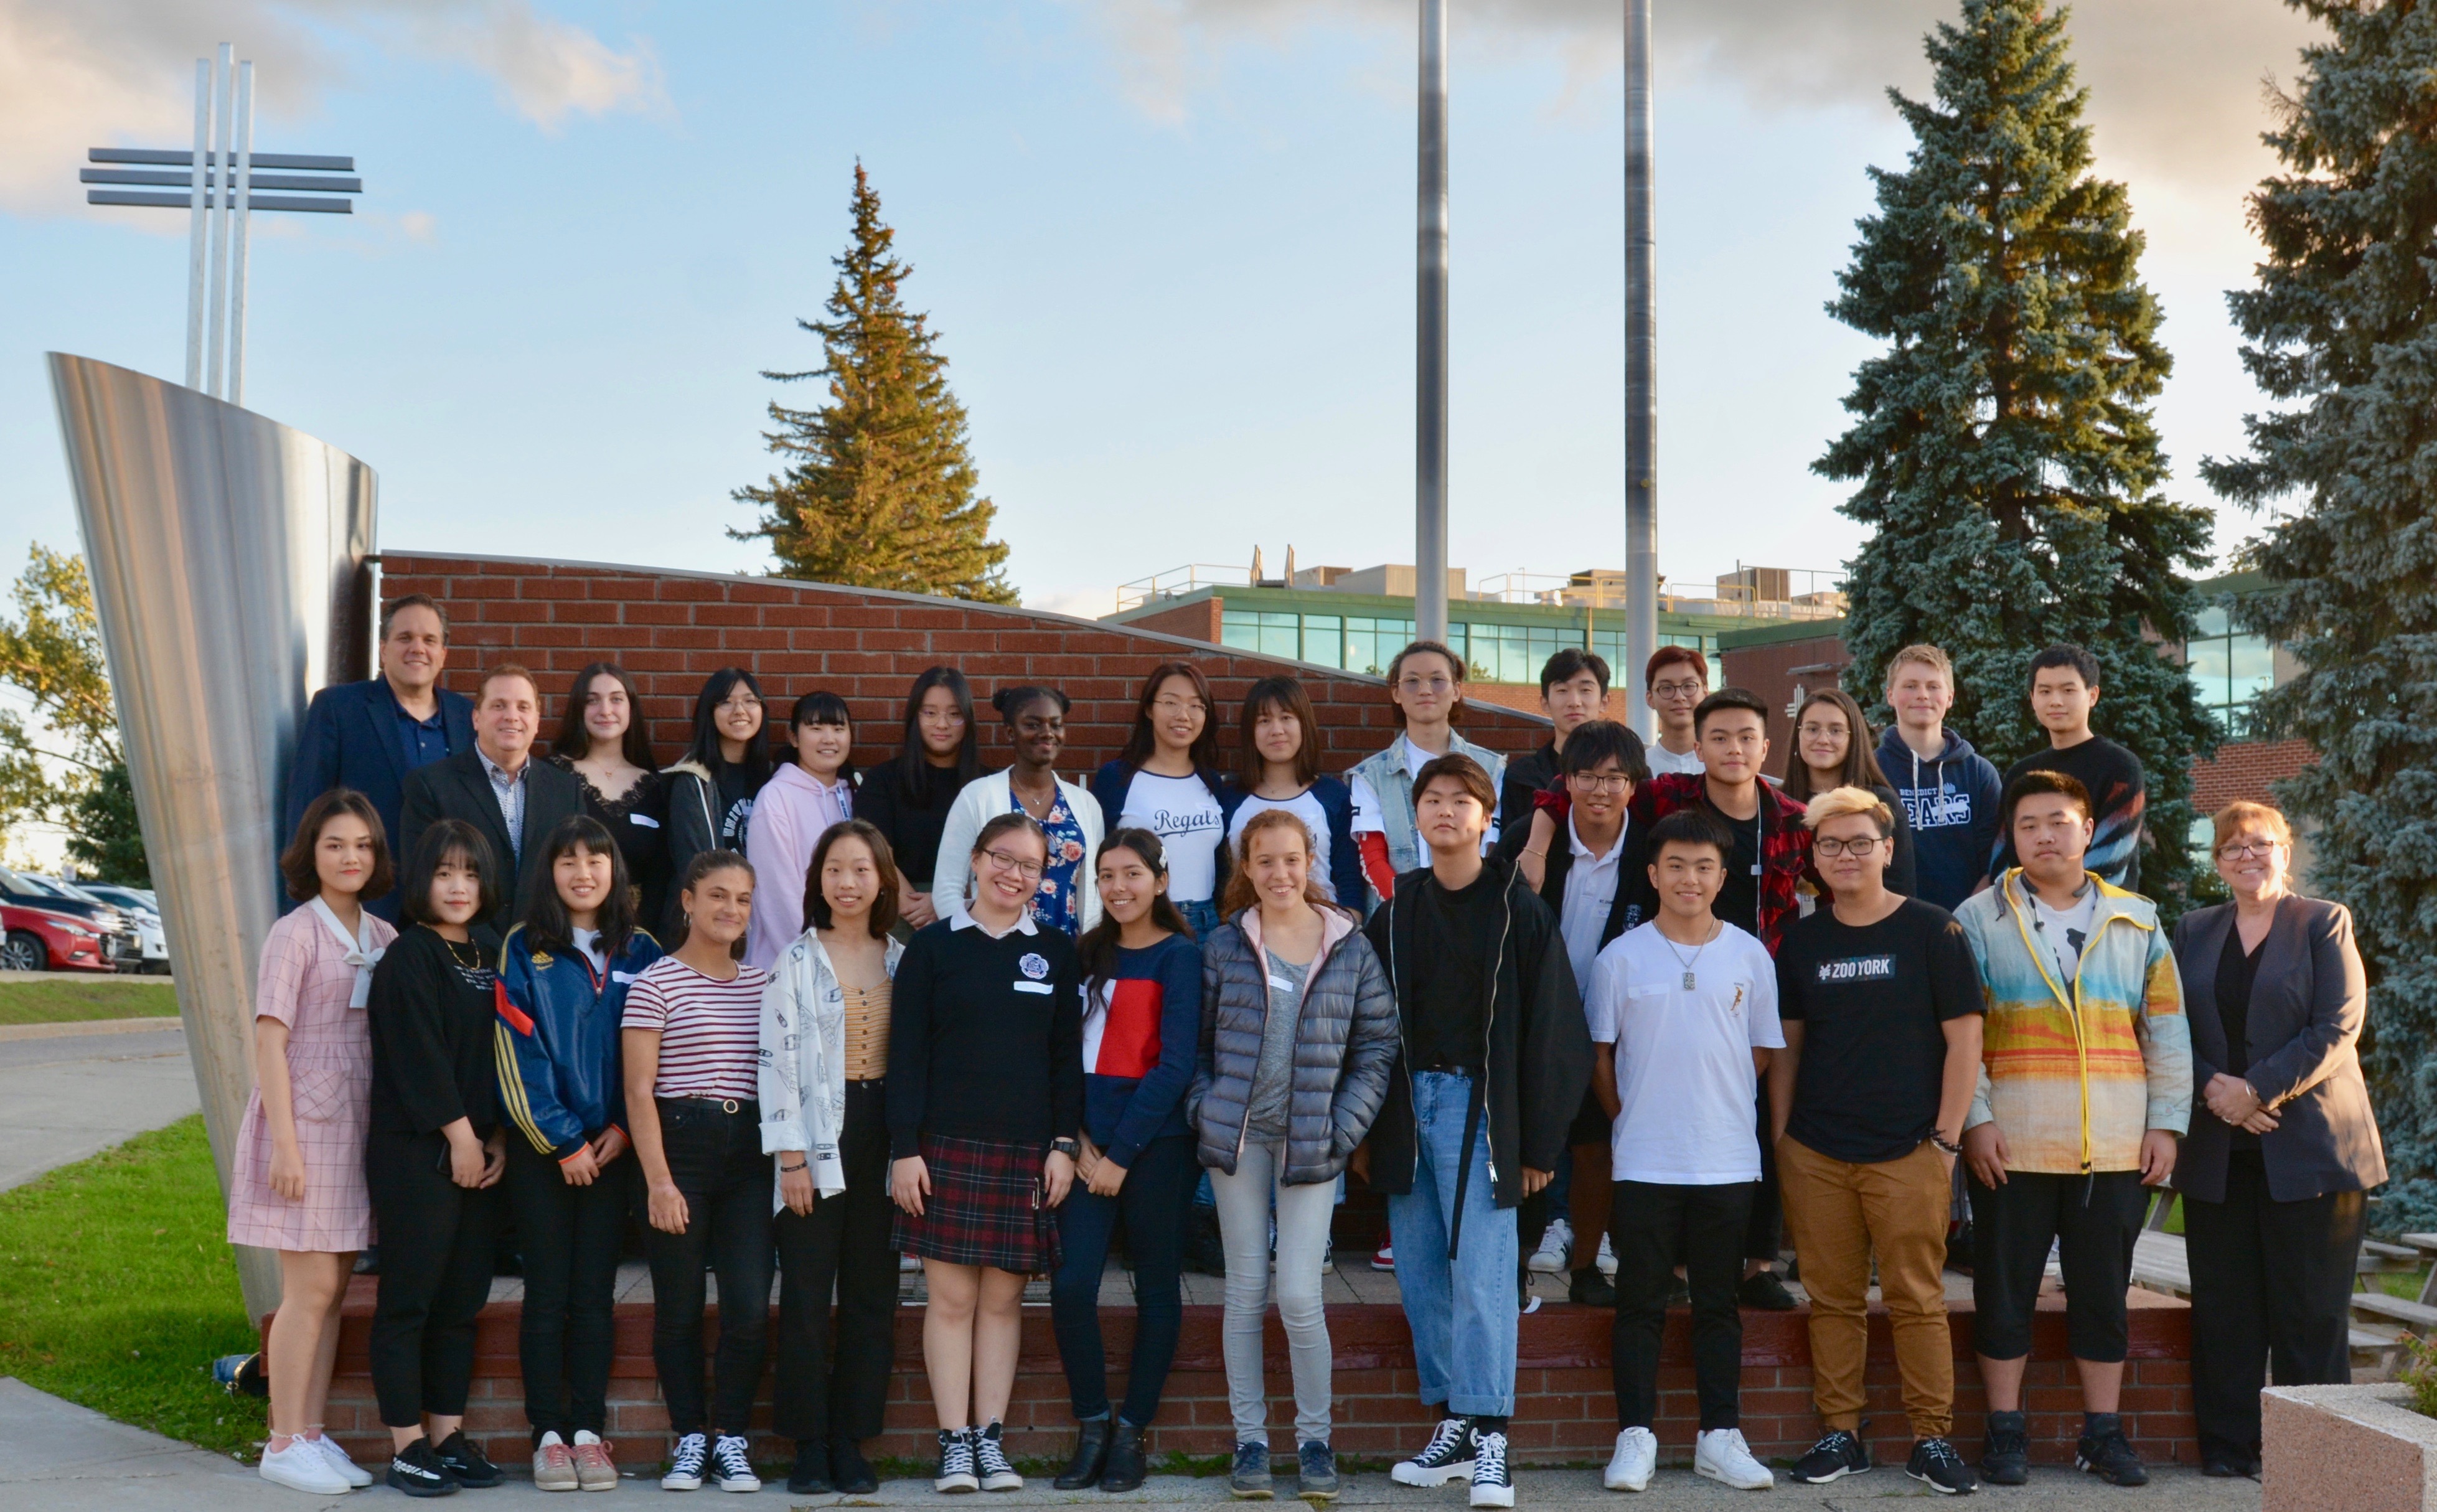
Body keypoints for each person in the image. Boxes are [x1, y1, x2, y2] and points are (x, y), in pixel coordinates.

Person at [1364, 754, 1592, 1511]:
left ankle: (1494, 1434)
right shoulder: (1395, 911)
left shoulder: (1516, 907)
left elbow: (1557, 1032)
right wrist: (1365, 1129)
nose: (1444, 810)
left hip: (1483, 1109)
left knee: (1485, 1274)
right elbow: (1367, 1028)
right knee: (1423, 1268)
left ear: (1486, 817)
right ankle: (1456, 1422)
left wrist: (1537, 1147)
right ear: (1417, 815)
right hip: (1408, 1104)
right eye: (1431, 799)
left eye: (1461, 800)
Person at [1958, 769, 2190, 1489]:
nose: (2045, 835)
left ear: (2089, 831)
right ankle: (2005, 1431)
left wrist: (2167, 1127)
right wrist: (1978, 1119)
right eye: (2029, 824)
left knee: (2102, 1294)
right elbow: (1965, 1036)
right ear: (2012, 836)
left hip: (2114, 1145)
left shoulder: (2137, 918)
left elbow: (2168, 1033)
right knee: (2003, 1293)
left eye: (2059, 821)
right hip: (2014, 1143)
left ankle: (2103, 1432)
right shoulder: (1977, 919)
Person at [1768, 787, 1982, 1495]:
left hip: (1910, 1148)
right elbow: (1789, 1050)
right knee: (1830, 1298)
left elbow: (1965, 1040)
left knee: (1917, 1296)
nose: (1847, 855)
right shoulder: (1802, 940)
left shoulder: (1933, 930)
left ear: (1889, 849)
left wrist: (1947, 1141)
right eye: (1831, 844)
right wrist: (1783, 1137)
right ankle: (1842, 1433)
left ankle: (1931, 1438)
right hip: (1818, 1149)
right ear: (1815, 857)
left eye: (1861, 841)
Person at [2175, 801, 2385, 1478]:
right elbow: (2168, 1024)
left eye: (2261, 844)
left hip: (2313, 1151)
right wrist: (2217, 1091)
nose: (2247, 855)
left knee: (2308, 1315)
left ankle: (2313, 1460)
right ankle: (2231, 1451)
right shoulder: (2194, 930)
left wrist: (2255, 1090)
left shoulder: (2323, 921)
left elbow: (2337, 1025)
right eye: (2232, 847)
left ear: (2285, 851)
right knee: (2226, 1311)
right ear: (2216, 862)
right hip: (2219, 1152)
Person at [1193, 810, 1398, 1501]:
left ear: (1311, 860)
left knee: (1301, 1296)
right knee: (1245, 1294)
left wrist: (1344, 1128)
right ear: (1245, 869)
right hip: (1241, 1143)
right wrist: (1206, 1107)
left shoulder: (1349, 945)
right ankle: (1250, 1442)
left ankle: (1315, 1439)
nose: (1280, 873)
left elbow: (1376, 1047)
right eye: (1265, 861)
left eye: (1292, 859)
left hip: (1313, 1142)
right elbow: (1193, 1045)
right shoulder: (1224, 945)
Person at [889, 813, 1084, 1495]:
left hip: (1027, 1150)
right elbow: (905, 1056)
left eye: (1030, 866)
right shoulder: (933, 947)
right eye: (1003, 858)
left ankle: (991, 1440)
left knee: (1003, 1302)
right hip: (942, 1147)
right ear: (975, 860)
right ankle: (953, 1444)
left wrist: (1064, 1144)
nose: (1015, 874)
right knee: (949, 1300)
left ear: (1042, 878)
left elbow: (1066, 1061)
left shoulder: (1056, 951)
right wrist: (903, 1149)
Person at [1589, 809, 1782, 1495]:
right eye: (1675, 865)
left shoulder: (1750, 955)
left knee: (1717, 1304)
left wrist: (1711, 1102)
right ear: (1653, 873)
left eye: (1703, 867)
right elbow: (1602, 1058)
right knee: (1639, 1300)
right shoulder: (1621, 957)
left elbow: (1758, 1053)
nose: (1689, 878)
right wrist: (1635, 1117)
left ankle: (1719, 1435)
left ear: (1722, 876)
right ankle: (1635, 1435)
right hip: (1644, 1158)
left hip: (1727, 1157)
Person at [230, 789, 398, 1496]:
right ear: (312, 853)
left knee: (334, 1292)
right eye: (335, 844)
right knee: (312, 1287)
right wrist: (285, 1144)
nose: (350, 856)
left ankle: (310, 1428)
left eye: (362, 844)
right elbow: (271, 1037)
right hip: (303, 1122)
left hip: (356, 1124)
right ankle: (281, 1437)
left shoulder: (385, 936)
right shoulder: (295, 932)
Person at [494, 815, 663, 1494]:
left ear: (615, 870)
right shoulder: (524, 945)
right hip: (548, 1152)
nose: (583, 870)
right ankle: (547, 1434)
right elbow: (516, 1049)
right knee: (548, 1293)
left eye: (597, 858)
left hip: (613, 1150)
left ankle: (589, 1432)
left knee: (594, 1294)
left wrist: (621, 1129)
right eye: (568, 859)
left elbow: (655, 1047)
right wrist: (562, 1140)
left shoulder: (643, 949)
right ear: (549, 871)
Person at [1627, 686, 1811, 1310]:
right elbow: (1573, 794)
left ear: (1765, 746)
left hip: (1765, 986)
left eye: (1747, 737)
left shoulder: (1792, 817)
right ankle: (1680, 1263)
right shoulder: (1668, 797)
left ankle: (1757, 1261)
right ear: (1697, 745)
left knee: (1764, 1119)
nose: (1734, 749)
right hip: (1680, 975)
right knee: (1681, 1114)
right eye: (1720, 737)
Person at [1048, 830, 1203, 1492]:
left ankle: (1132, 1430)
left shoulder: (1181, 957)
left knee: (1157, 1287)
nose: (1118, 887)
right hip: (1087, 1148)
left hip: (1156, 1149)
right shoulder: (1085, 953)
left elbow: (1176, 1065)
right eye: (1106, 875)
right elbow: (1059, 1058)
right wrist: (1079, 1141)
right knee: (1072, 1284)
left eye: (1132, 873)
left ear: (1160, 881)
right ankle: (1092, 1424)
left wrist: (1122, 1154)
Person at [362, 818, 510, 1496]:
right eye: (446, 872)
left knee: (461, 1301)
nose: (459, 885)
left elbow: (504, 1056)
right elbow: (416, 1054)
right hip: (419, 1149)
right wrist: (458, 1136)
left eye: (471, 872)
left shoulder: (488, 951)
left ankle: (447, 1435)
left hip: (481, 1150)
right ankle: (406, 1445)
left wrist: (498, 1139)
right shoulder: (409, 955)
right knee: (411, 1300)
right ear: (423, 879)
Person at [760, 820, 906, 1496]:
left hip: (886, 1135)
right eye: (834, 870)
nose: (847, 883)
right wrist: (791, 1158)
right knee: (808, 1294)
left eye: (861, 870)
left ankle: (852, 1437)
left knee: (874, 1294)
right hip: (815, 1136)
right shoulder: (796, 958)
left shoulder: (904, 957)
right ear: (817, 879)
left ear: (883, 879)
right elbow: (778, 1063)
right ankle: (809, 1443)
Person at [624, 852, 772, 1494]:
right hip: (679, 1148)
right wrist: (658, 1179)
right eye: (717, 895)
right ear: (686, 900)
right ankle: (689, 1436)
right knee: (679, 1305)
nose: (730, 910)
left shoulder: (765, 983)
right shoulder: (656, 982)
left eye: (742, 899)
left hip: (750, 1155)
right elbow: (637, 1090)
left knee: (746, 1303)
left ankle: (731, 1437)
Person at [1519, 720, 1650, 1308]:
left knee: (1597, 1146)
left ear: (1632, 784)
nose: (1601, 790)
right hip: (1537, 1018)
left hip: (1614, 1023)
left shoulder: (1650, 848)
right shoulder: (1529, 839)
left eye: (1614, 778)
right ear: (1566, 780)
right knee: (1529, 1146)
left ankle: (1587, 1265)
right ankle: (1513, 1263)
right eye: (1588, 776)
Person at [283, 594, 473, 923]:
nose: (417, 648)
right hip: (365, 908)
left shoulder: (467, 718)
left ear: (443, 655)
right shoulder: (339, 709)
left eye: (429, 640)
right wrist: (304, 911)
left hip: (450, 912)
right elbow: (307, 811)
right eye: (405, 638)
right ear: (384, 649)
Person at [399, 664, 584, 935]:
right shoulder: (431, 786)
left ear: (537, 720)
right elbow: (420, 879)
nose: (512, 716)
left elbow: (574, 877)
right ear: (476, 718)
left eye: (523, 707)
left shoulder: (566, 791)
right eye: (499, 706)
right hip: (460, 950)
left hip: (543, 954)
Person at [1349, 641, 1508, 912]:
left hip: (1472, 915)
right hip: (1396, 923)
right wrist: (1417, 910)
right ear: (1396, 693)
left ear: (1457, 690)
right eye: (1412, 681)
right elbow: (1372, 859)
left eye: (1437, 680)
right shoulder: (1369, 776)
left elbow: (1490, 848)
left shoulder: (1491, 768)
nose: (1425, 690)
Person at [933, 687, 1105, 936]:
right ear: (1011, 733)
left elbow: (1096, 889)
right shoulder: (978, 796)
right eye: (1033, 725)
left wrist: (1091, 945)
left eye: (1056, 725)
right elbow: (948, 888)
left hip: (1070, 951)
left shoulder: (1086, 804)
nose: (1047, 733)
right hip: (996, 948)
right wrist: (974, 943)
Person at [1989, 645, 2147, 891]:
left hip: (2103, 919)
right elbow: (2003, 859)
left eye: (2068, 690)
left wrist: (2060, 911)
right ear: (2033, 699)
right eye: (2045, 691)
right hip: (2024, 920)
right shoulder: (2020, 774)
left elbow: (2110, 861)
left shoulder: (2120, 767)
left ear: (2092, 695)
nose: (2056, 701)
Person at [1091, 664, 1231, 937]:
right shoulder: (1118, 778)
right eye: (1170, 703)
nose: (1184, 715)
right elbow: (1100, 859)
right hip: (1145, 919)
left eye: (1196, 706)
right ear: (1149, 710)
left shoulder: (1211, 781)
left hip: (1208, 921)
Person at [1873, 644, 2001, 913]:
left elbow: (1996, 860)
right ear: (1890, 695)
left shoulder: (1980, 774)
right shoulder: (1871, 770)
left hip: (1967, 924)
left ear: (1950, 697)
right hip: (1893, 921)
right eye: (1910, 686)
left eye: (1933, 686)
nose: (1922, 695)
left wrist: (1965, 917)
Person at [547, 660, 670, 931]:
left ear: (631, 708)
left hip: (637, 935)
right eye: (593, 701)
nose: (605, 711)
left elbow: (662, 874)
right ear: (579, 710)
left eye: (616, 700)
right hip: (565, 930)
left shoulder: (655, 786)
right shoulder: (552, 776)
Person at [1222, 675, 1363, 908]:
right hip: (1248, 935)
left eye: (1286, 718)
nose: (1277, 730)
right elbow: (1222, 883)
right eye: (1264, 721)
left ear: (1303, 724)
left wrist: (1342, 935)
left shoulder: (1333, 796)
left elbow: (1350, 883)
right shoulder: (1231, 800)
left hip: (1323, 933)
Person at [857, 667, 981, 932]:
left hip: (973, 915)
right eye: (930, 713)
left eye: (954, 714)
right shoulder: (883, 781)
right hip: (899, 913)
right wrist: (915, 908)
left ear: (968, 719)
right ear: (915, 716)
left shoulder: (987, 785)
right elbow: (876, 854)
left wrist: (945, 903)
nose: (942, 724)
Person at [748, 690, 859, 969]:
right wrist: (811, 959)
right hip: (789, 963)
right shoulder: (775, 797)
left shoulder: (856, 796)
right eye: (816, 728)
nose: (829, 739)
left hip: (849, 957)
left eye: (838, 728)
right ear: (794, 738)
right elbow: (777, 894)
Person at [1780, 687, 1917, 899]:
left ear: (1854, 739)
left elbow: (1900, 888)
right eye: (1812, 729)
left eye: (1836, 731)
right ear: (1799, 734)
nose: (1823, 739)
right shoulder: (1778, 807)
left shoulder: (1879, 804)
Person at [662, 669, 771, 931]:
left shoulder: (772, 778)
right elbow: (697, 870)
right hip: (711, 925)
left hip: (763, 920)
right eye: (726, 702)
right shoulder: (693, 781)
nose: (740, 710)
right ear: (709, 713)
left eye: (750, 701)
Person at [1493, 648, 1611, 866]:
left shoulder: (1629, 773)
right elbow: (1509, 849)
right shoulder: (1522, 776)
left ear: (1604, 701)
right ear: (1545, 702)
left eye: (1585, 690)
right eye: (1562, 690)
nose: (1574, 701)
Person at [1640, 646, 1710, 778]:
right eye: (1667, 688)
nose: (1679, 697)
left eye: (1689, 686)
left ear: (1706, 693)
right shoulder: (1636, 768)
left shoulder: (1722, 765)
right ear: (1650, 699)